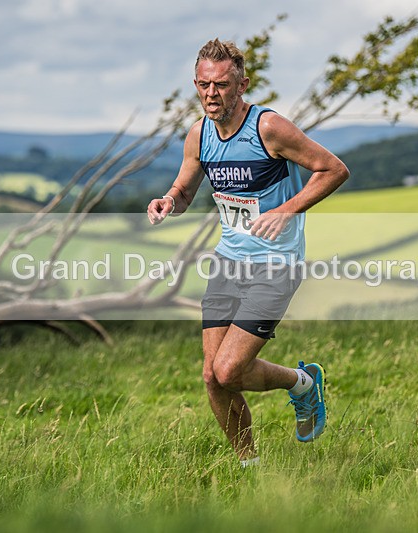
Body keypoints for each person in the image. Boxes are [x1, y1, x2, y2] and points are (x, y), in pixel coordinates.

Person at [147, 38, 349, 466]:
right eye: (203, 85)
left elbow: (334, 169)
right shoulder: (200, 134)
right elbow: (184, 190)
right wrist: (168, 201)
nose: (211, 94)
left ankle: (302, 384)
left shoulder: (268, 128)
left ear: (242, 85)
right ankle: (249, 469)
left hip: (275, 264)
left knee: (229, 370)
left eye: (221, 85)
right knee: (212, 376)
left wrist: (287, 209)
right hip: (228, 262)